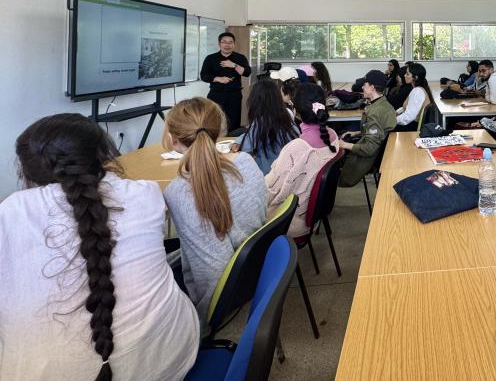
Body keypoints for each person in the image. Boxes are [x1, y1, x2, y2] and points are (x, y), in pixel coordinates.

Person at [1, 114, 199, 380]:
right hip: (167, 357)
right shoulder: (146, 193)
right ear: (103, 156)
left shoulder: (10, 212)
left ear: (27, 170)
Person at [162, 98, 267, 319]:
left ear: (172, 139)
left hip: (220, 297)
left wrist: (201, 321)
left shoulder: (179, 193)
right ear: (219, 129)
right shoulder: (246, 162)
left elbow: (209, 273)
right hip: (256, 272)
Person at [265, 83, 340, 237]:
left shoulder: (296, 148)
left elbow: (271, 192)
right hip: (313, 216)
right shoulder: (332, 136)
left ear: (295, 111)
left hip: (290, 221)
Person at [338, 70, 398, 186]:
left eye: (364, 84)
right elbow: (378, 131)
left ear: (372, 87)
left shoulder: (374, 112)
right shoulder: (385, 105)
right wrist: (357, 132)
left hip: (368, 159)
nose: (362, 87)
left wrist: (344, 145)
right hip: (381, 154)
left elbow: (369, 149)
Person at [238, 77, 299, 175]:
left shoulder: (261, 124)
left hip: (268, 177)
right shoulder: (287, 117)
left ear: (256, 101)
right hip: (288, 175)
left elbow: (243, 147)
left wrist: (237, 142)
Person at [200, 31, 251, 132]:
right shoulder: (210, 58)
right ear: (219, 44)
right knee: (213, 122)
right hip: (216, 94)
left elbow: (247, 73)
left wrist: (233, 65)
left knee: (233, 123)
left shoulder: (240, 58)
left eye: (230, 42)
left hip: (234, 95)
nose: (227, 45)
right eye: (224, 42)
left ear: (234, 44)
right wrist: (218, 79)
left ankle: (232, 141)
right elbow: (204, 76)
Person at [395, 62, 434, 131]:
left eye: (407, 74)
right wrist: (397, 112)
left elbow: (408, 117)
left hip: (411, 128)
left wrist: (392, 120)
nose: (404, 75)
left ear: (415, 77)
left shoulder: (417, 91)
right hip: (412, 125)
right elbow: (410, 106)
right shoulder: (420, 88)